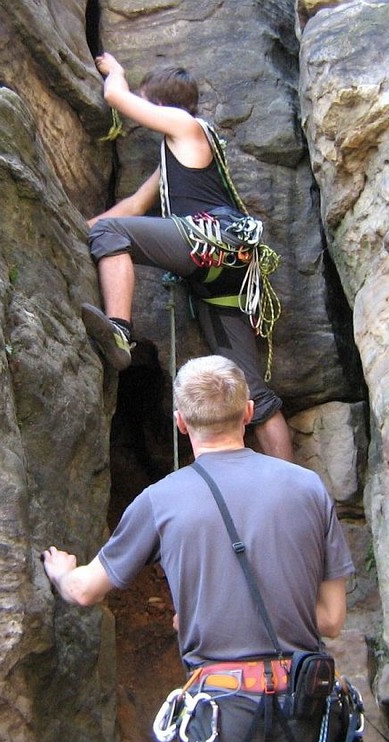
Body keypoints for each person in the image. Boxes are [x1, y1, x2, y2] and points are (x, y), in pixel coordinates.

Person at [43, 355, 355, 742]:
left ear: (180, 422)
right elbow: (332, 619)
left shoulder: (160, 500)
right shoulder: (307, 487)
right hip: (304, 714)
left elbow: (84, 591)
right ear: (248, 412)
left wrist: (63, 573)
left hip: (219, 718)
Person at [82, 53, 294, 461]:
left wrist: (117, 75)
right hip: (224, 270)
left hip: (211, 241)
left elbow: (118, 99)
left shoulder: (188, 125)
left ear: (160, 106)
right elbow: (130, 209)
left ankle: (119, 332)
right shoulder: (177, 155)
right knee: (251, 388)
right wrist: (83, 226)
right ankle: (293, 483)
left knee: (113, 235)